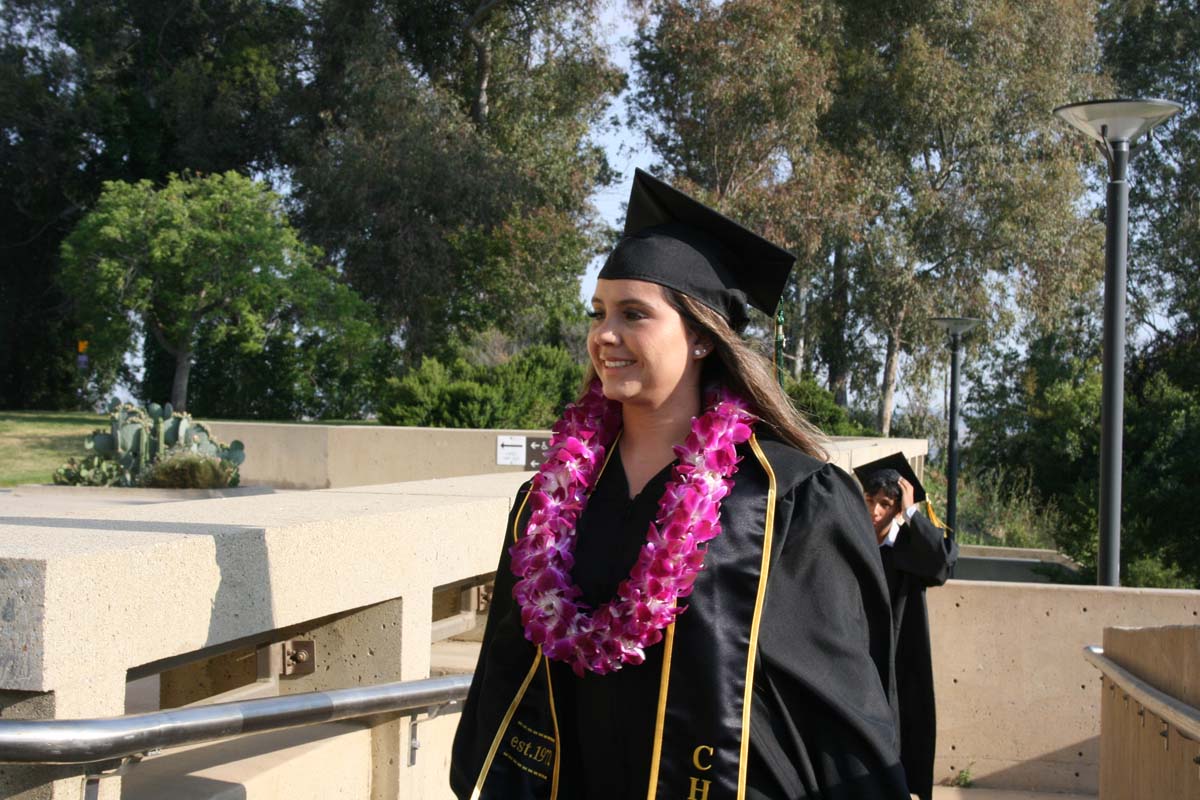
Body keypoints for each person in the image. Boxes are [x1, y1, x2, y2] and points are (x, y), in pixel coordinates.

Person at [450, 169, 909, 800]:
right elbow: (505, 670)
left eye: (634, 314)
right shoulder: (548, 502)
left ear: (699, 338)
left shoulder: (789, 499)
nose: (604, 335)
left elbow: (842, 709)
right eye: (598, 314)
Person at [855, 454, 958, 800]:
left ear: (896, 509)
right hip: (857, 652)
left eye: (885, 504)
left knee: (896, 733)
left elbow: (941, 565)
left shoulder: (907, 550)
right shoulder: (853, 542)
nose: (875, 511)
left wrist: (912, 512)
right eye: (870, 500)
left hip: (897, 659)